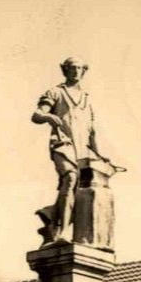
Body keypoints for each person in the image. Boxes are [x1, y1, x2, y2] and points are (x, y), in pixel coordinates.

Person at [31, 57, 109, 243]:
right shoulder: (56, 92)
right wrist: (48, 117)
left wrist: (99, 156)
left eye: (79, 68)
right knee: (71, 178)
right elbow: (37, 115)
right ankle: (64, 232)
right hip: (62, 144)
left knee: (80, 190)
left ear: (83, 71)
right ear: (65, 70)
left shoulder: (87, 100)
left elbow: (92, 133)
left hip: (82, 151)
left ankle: (50, 215)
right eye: (72, 68)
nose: (76, 71)